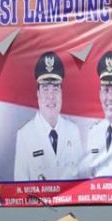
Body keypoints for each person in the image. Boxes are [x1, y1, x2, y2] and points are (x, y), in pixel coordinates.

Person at [12, 52, 83, 181]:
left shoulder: (73, 131)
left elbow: (82, 181)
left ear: (61, 92)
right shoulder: (25, 135)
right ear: (38, 93)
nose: (50, 96)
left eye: (55, 88)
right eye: (45, 88)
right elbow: (20, 188)